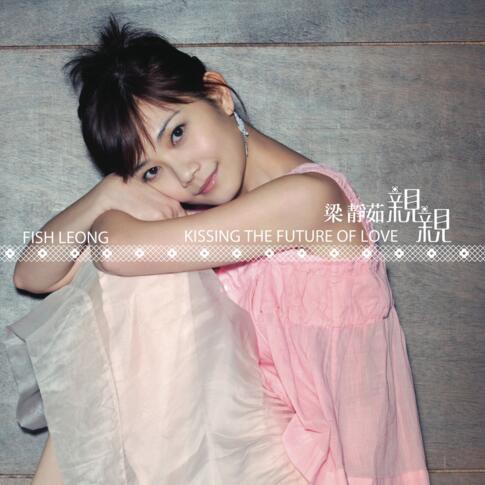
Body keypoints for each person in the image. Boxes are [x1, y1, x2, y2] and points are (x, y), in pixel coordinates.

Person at [5, 14, 430, 484]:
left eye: (177, 133)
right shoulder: (198, 221)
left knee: (139, 278)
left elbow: (116, 251)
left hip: (326, 469)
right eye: (152, 171)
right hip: (242, 449)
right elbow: (33, 273)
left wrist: (114, 211)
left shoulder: (312, 200)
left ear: (218, 94)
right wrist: (104, 195)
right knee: (131, 285)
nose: (184, 174)